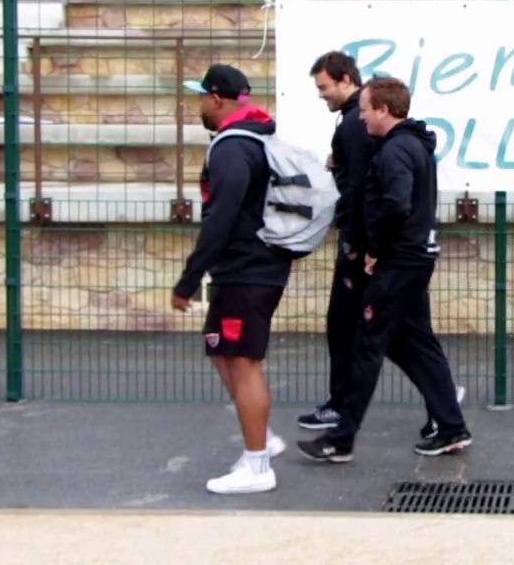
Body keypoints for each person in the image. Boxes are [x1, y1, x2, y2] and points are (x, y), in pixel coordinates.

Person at [297, 77, 471, 463]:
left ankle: (341, 439)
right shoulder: (411, 145)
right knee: (412, 342)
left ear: (384, 110)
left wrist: (375, 249)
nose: (360, 118)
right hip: (414, 256)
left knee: (367, 344)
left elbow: (395, 205)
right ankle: (451, 425)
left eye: (365, 110)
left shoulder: (395, 152)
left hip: (400, 261)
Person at [171, 64, 293, 495]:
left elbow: (220, 217)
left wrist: (188, 280)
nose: (199, 104)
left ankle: (258, 465)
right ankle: (263, 436)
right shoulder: (254, 137)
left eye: (202, 96)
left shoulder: (231, 148)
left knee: (243, 361)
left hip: (248, 271)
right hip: (247, 269)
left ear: (217, 98)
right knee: (222, 351)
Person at [298, 51, 373, 431]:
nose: (322, 95)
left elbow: (359, 187)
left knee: (344, 323)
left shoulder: (354, 124)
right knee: (404, 331)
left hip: (360, 242)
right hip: (370, 239)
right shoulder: (355, 121)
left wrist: (356, 243)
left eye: (325, 87)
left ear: (346, 80)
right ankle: (442, 403)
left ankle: (341, 406)